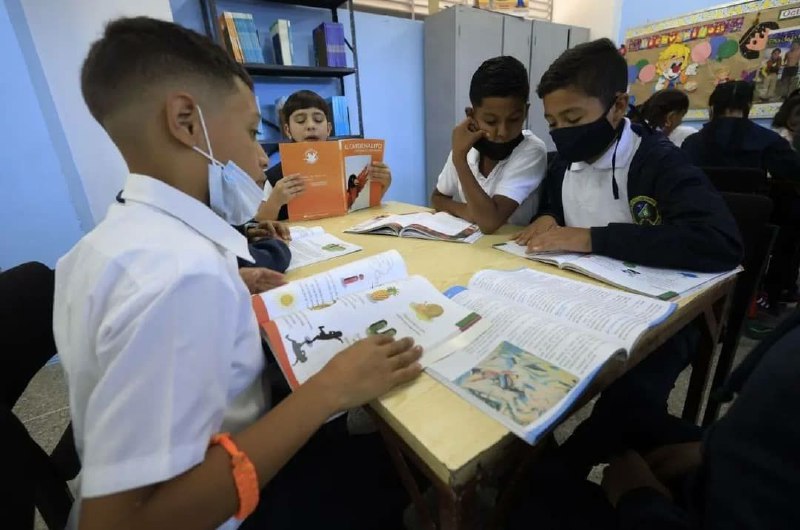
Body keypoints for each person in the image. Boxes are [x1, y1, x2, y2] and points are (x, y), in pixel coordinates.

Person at [56, 17, 423, 530]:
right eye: (253, 132)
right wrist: (330, 389)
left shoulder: (111, 242)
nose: (259, 155)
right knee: (407, 464)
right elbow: (116, 523)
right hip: (227, 509)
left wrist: (232, 281)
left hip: (195, 448)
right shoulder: (179, 276)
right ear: (186, 121)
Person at [513, 38, 742, 474]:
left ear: (618, 106)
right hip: (585, 297)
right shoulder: (565, 162)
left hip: (666, 318)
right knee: (518, 362)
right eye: (553, 122)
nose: (561, 131)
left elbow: (719, 242)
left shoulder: (657, 161)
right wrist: (546, 216)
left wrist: (592, 238)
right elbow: (557, 210)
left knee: (628, 401)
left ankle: (560, 471)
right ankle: (523, 459)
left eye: (574, 118)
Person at [507, 308, 800, 530]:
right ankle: (568, 456)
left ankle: (549, 469)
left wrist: (639, 498)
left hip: (683, 513)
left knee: (524, 492)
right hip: (732, 459)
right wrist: (707, 449)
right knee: (628, 414)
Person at [430, 55, 547, 234]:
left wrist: (459, 160)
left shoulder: (532, 150)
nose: (503, 132)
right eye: (491, 121)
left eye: (514, 119)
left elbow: (489, 222)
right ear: (472, 116)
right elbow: (437, 198)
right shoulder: (466, 148)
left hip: (510, 253)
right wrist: (467, 211)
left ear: (526, 112)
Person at [255, 90, 392, 221]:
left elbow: (362, 206)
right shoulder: (276, 177)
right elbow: (261, 221)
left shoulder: (347, 167)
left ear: (328, 129)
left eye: (318, 119)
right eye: (300, 120)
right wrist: (275, 201)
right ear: (287, 130)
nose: (310, 126)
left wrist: (383, 184)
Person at [682, 80, 800, 181]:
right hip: (753, 206)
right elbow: (792, 174)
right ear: (749, 105)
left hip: (702, 206)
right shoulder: (769, 140)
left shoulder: (692, 142)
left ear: (712, 107)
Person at [630, 88, 696, 146]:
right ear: (670, 118)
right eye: (681, 116)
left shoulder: (632, 131)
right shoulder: (659, 146)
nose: (680, 122)